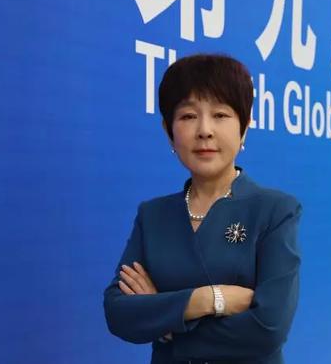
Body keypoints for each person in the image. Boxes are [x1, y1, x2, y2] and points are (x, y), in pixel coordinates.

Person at [103, 54, 302, 364]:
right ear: (168, 130)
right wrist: (208, 299)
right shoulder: (153, 215)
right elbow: (118, 312)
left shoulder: (275, 211)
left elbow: (268, 329)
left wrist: (167, 321)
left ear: (244, 127)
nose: (205, 130)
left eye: (220, 114)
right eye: (188, 116)